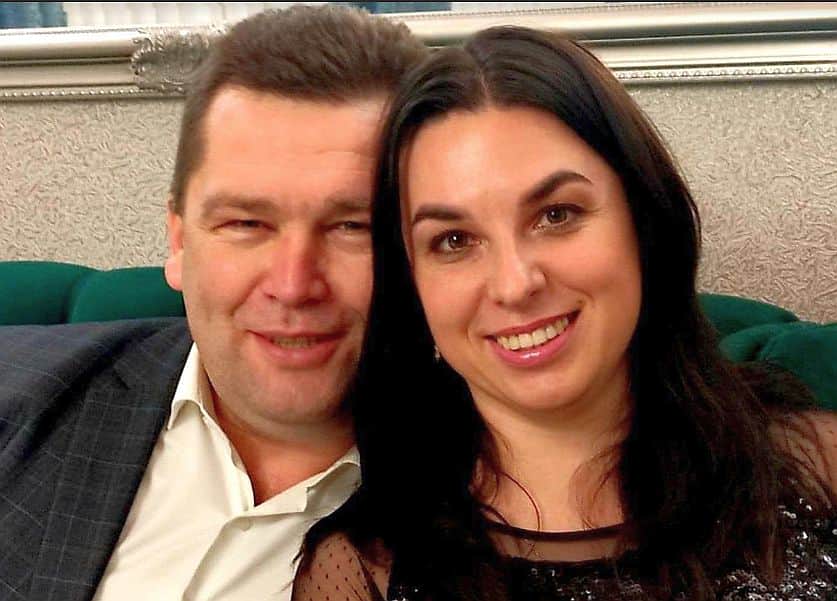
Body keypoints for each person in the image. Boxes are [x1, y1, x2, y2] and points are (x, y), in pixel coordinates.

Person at [293, 26, 837, 601]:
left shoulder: (820, 469)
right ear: (412, 282)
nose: (514, 284)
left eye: (556, 215)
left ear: (643, 219)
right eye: (454, 240)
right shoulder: (364, 569)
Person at [0, 6, 427, 601]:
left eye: (354, 227)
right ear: (178, 241)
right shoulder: (17, 395)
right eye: (247, 223)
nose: (293, 284)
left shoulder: (512, 501)